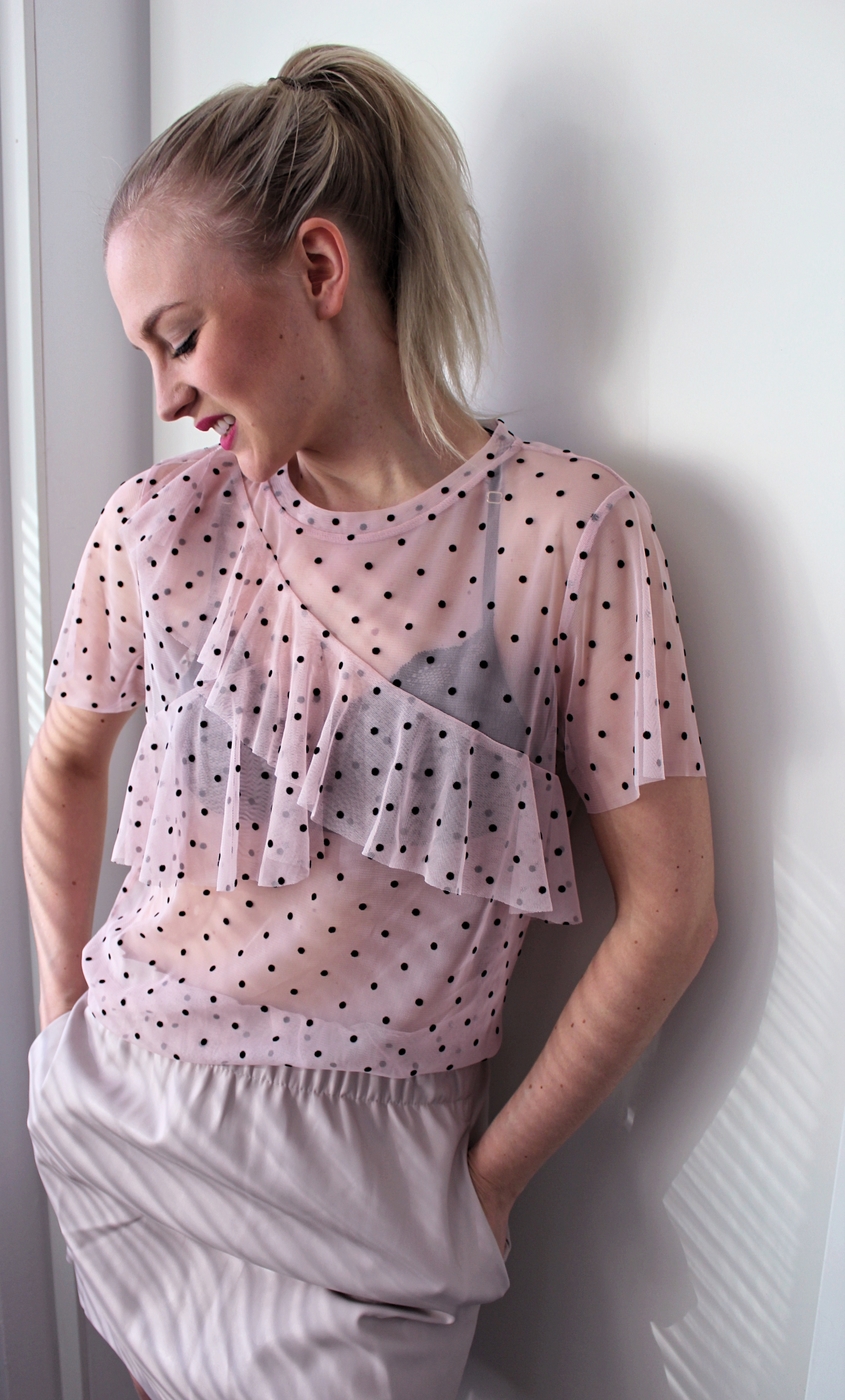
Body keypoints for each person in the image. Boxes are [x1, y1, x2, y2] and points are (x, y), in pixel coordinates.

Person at [23, 44, 717, 1400]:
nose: (166, 396)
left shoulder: (566, 535)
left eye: (179, 335)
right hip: (129, 1126)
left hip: (376, 1193)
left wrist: (491, 1182)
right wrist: (61, 1027)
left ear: (319, 267)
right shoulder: (162, 528)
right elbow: (62, 765)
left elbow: (673, 909)